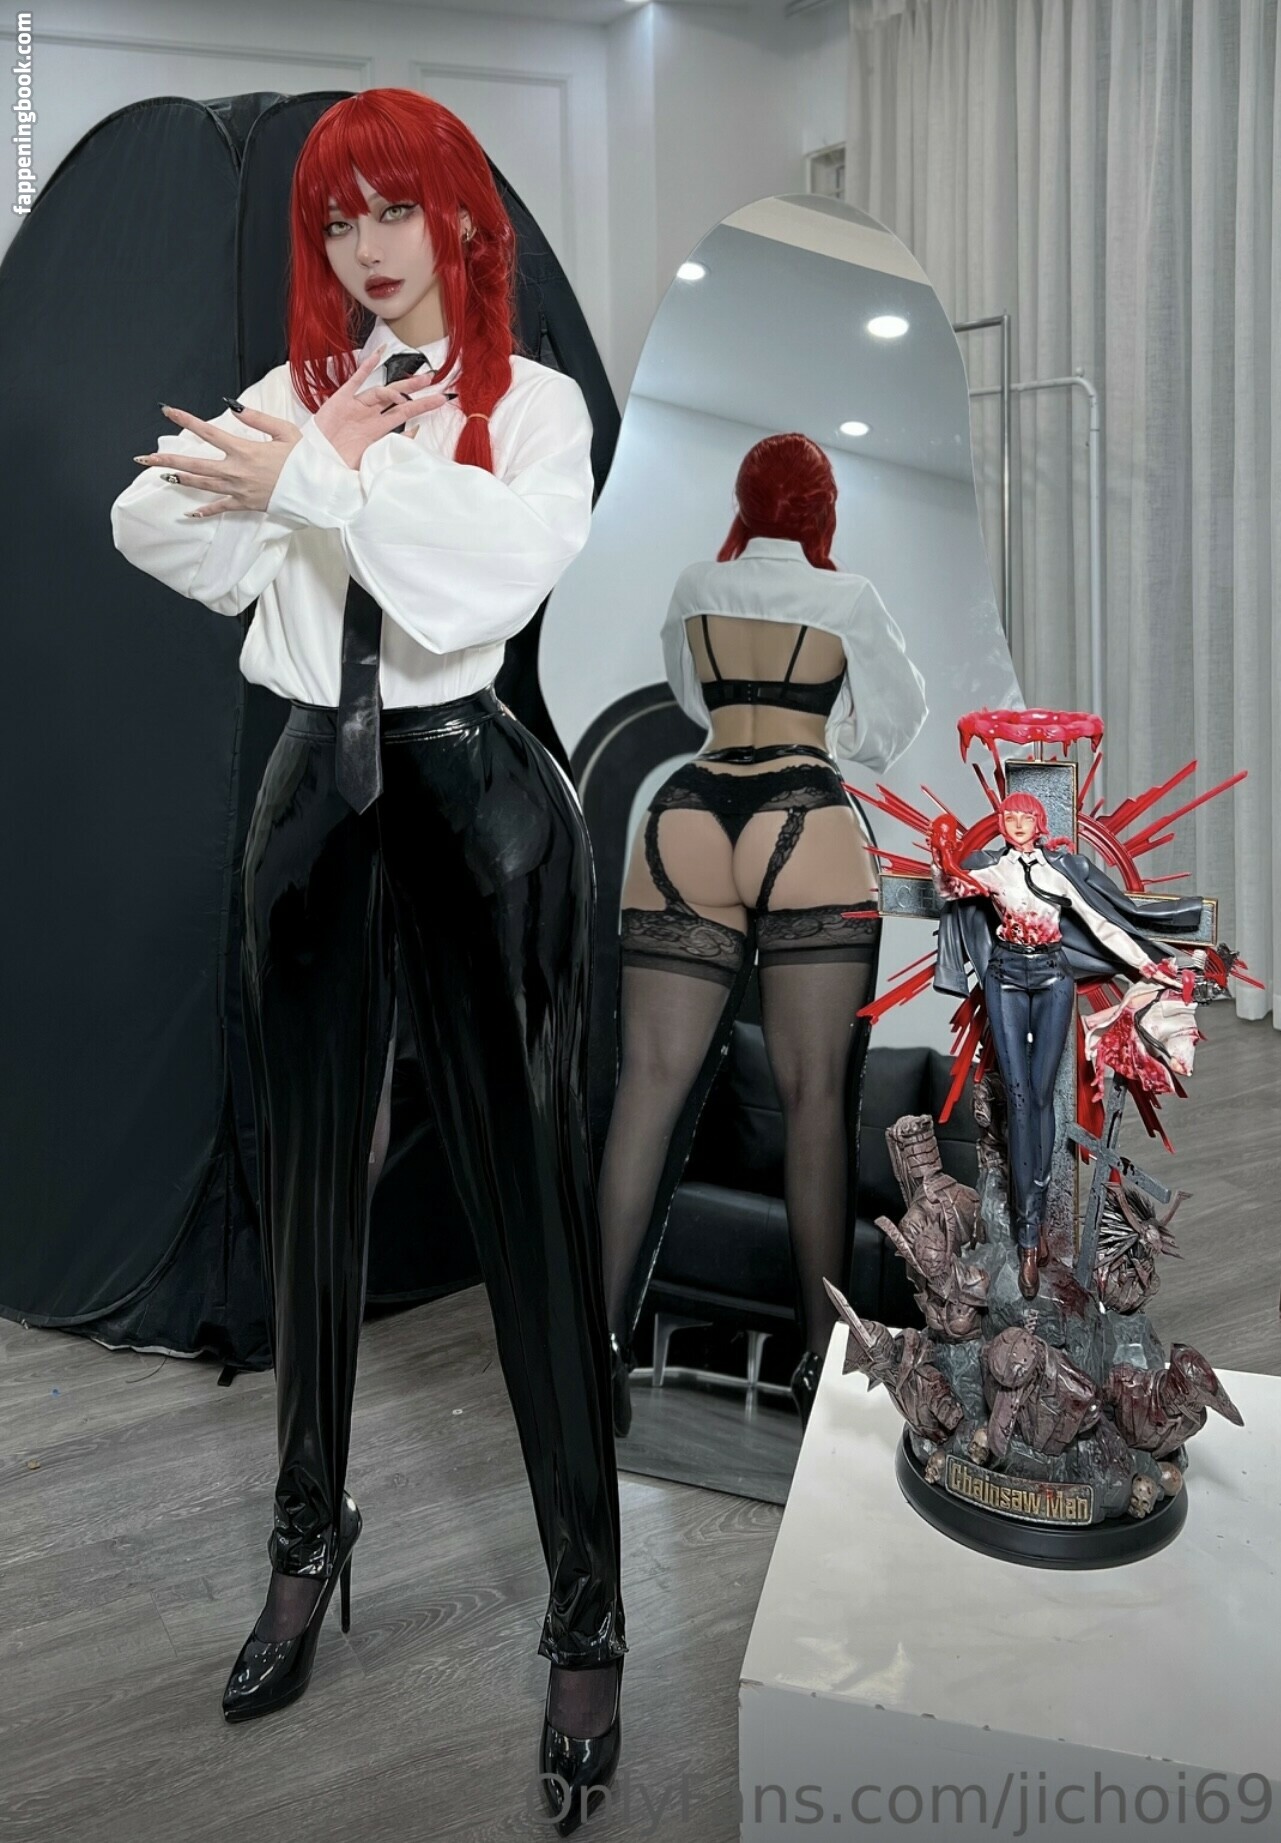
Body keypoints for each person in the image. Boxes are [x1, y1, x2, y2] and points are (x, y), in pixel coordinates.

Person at [110, 87, 623, 1831]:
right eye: (336, 220)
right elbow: (149, 524)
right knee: (308, 1186)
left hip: (479, 801)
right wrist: (315, 467)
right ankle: (304, 1537)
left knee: (526, 1201)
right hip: (310, 799)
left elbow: (490, 580)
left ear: (462, 217)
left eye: (392, 208)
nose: (365, 246)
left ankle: (587, 1604)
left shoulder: (532, 405)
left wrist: (319, 482)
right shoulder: (300, 389)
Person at [596, 434, 928, 1434]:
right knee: (816, 1100)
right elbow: (894, 723)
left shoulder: (697, 585)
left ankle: (594, 1348)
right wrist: (829, 736)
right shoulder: (849, 598)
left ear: (745, 502)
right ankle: (820, 1365)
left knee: (646, 1093)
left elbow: (687, 698)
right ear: (822, 511)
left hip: (689, 810)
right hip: (804, 811)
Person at [930, 791, 1199, 1300]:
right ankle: (1028, 1236)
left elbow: (1103, 925)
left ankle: (1033, 1212)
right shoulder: (995, 870)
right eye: (1009, 817)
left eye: (1025, 817)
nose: (1015, 824)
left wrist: (1151, 966)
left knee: (1039, 1091)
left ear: (1038, 823)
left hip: (1053, 976)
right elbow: (950, 887)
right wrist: (941, 848)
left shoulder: (1058, 872)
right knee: (1018, 1098)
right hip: (1006, 976)